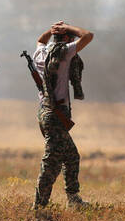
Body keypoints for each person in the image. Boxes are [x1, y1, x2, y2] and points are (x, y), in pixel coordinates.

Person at [32, 21, 94, 209]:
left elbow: (40, 40)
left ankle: (73, 199)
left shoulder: (41, 52)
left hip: (45, 111)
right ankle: (39, 206)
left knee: (71, 156)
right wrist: (68, 27)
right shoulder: (64, 52)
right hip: (56, 114)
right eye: (71, 38)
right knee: (52, 161)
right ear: (66, 39)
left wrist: (51, 30)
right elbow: (88, 35)